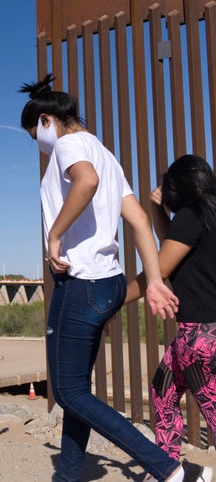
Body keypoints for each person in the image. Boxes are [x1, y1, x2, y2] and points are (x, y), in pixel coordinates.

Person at [19, 74, 193, 481]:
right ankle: (68, 475)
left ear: (46, 121)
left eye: (34, 136)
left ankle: (169, 469)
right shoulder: (104, 152)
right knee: (76, 387)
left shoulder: (67, 145)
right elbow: (136, 222)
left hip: (82, 283)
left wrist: (55, 235)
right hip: (106, 283)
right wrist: (153, 280)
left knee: (68, 391)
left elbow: (87, 181)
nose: (38, 146)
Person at [124, 154, 216, 476]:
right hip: (198, 334)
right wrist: (156, 210)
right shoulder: (205, 215)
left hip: (199, 337)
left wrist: (113, 300)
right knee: (162, 393)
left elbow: (160, 267)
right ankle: (166, 468)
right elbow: (173, 246)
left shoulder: (193, 215)